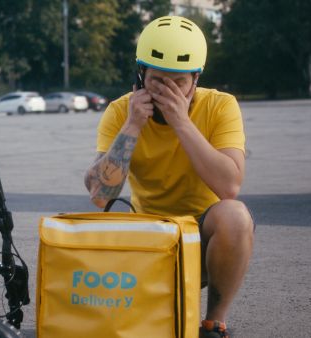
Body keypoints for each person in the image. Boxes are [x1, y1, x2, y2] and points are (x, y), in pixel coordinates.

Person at [84, 15, 254, 338]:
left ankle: (213, 323)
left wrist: (181, 123)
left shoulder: (220, 106)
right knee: (113, 211)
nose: (167, 91)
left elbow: (230, 185)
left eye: (179, 83)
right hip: (145, 239)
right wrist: (133, 125)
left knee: (235, 216)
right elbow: (99, 194)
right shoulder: (121, 111)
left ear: (196, 80)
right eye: (158, 80)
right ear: (140, 74)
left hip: (202, 241)